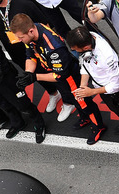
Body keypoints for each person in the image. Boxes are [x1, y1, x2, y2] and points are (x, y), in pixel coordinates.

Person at [10, 13, 106, 141]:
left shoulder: (54, 48)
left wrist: (34, 77)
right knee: (72, 99)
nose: (19, 40)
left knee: (83, 103)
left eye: (20, 37)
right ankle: (85, 118)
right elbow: (30, 55)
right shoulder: (31, 32)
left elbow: (59, 75)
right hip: (55, 72)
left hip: (69, 77)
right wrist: (28, 73)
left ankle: (99, 126)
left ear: (31, 31)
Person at [66, 26, 119, 152]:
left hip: (116, 91)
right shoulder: (88, 37)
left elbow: (114, 86)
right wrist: (83, 86)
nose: (74, 51)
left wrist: (91, 92)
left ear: (86, 48)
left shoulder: (107, 56)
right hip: (100, 87)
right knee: (114, 109)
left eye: (76, 49)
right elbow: (85, 66)